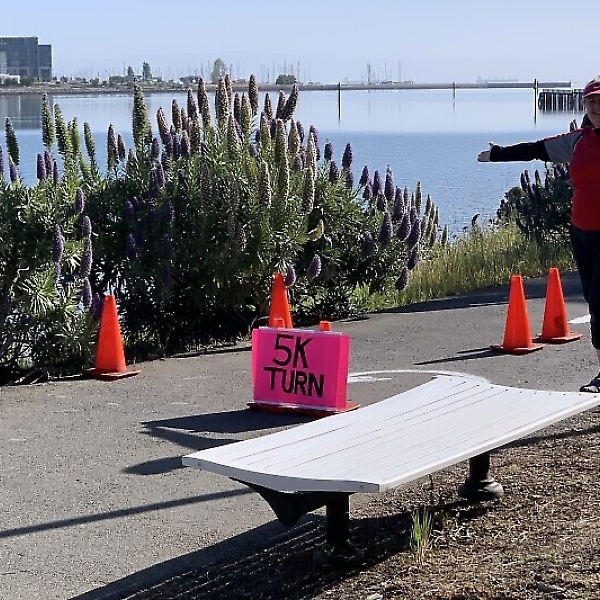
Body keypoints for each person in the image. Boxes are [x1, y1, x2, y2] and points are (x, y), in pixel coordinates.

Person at [477, 76, 600, 392]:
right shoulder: (577, 141)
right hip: (583, 233)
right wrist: (498, 154)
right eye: (592, 101)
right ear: (585, 106)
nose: (597, 107)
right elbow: (536, 149)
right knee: (594, 303)